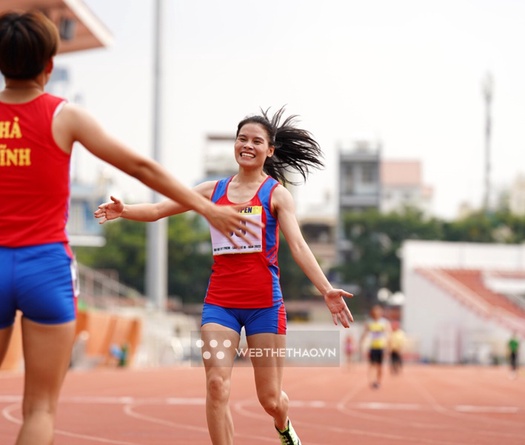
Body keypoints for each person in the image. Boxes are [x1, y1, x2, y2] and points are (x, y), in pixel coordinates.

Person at [0, 11, 260, 445]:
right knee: (40, 408)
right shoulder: (64, 117)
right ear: (49, 64)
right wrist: (206, 208)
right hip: (45, 266)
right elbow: (140, 166)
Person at [95, 106, 355, 445]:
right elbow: (159, 210)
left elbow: (300, 247)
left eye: (256, 141)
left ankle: (284, 425)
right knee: (217, 385)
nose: (247, 145)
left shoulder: (276, 195)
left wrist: (326, 290)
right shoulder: (211, 190)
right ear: (235, 145)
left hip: (265, 306)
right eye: (242, 139)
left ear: (270, 150)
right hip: (220, 305)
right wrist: (124, 210)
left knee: (270, 400)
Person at [359, 304, 391, 389]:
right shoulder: (369, 322)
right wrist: (361, 344)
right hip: (372, 347)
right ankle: (371, 380)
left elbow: (388, 335)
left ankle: (378, 381)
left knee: (380, 366)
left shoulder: (384, 322)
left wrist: (388, 347)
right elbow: (365, 333)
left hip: (381, 347)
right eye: (375, 311)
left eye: (379, 311)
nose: (377, 312)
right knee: (371, 365)